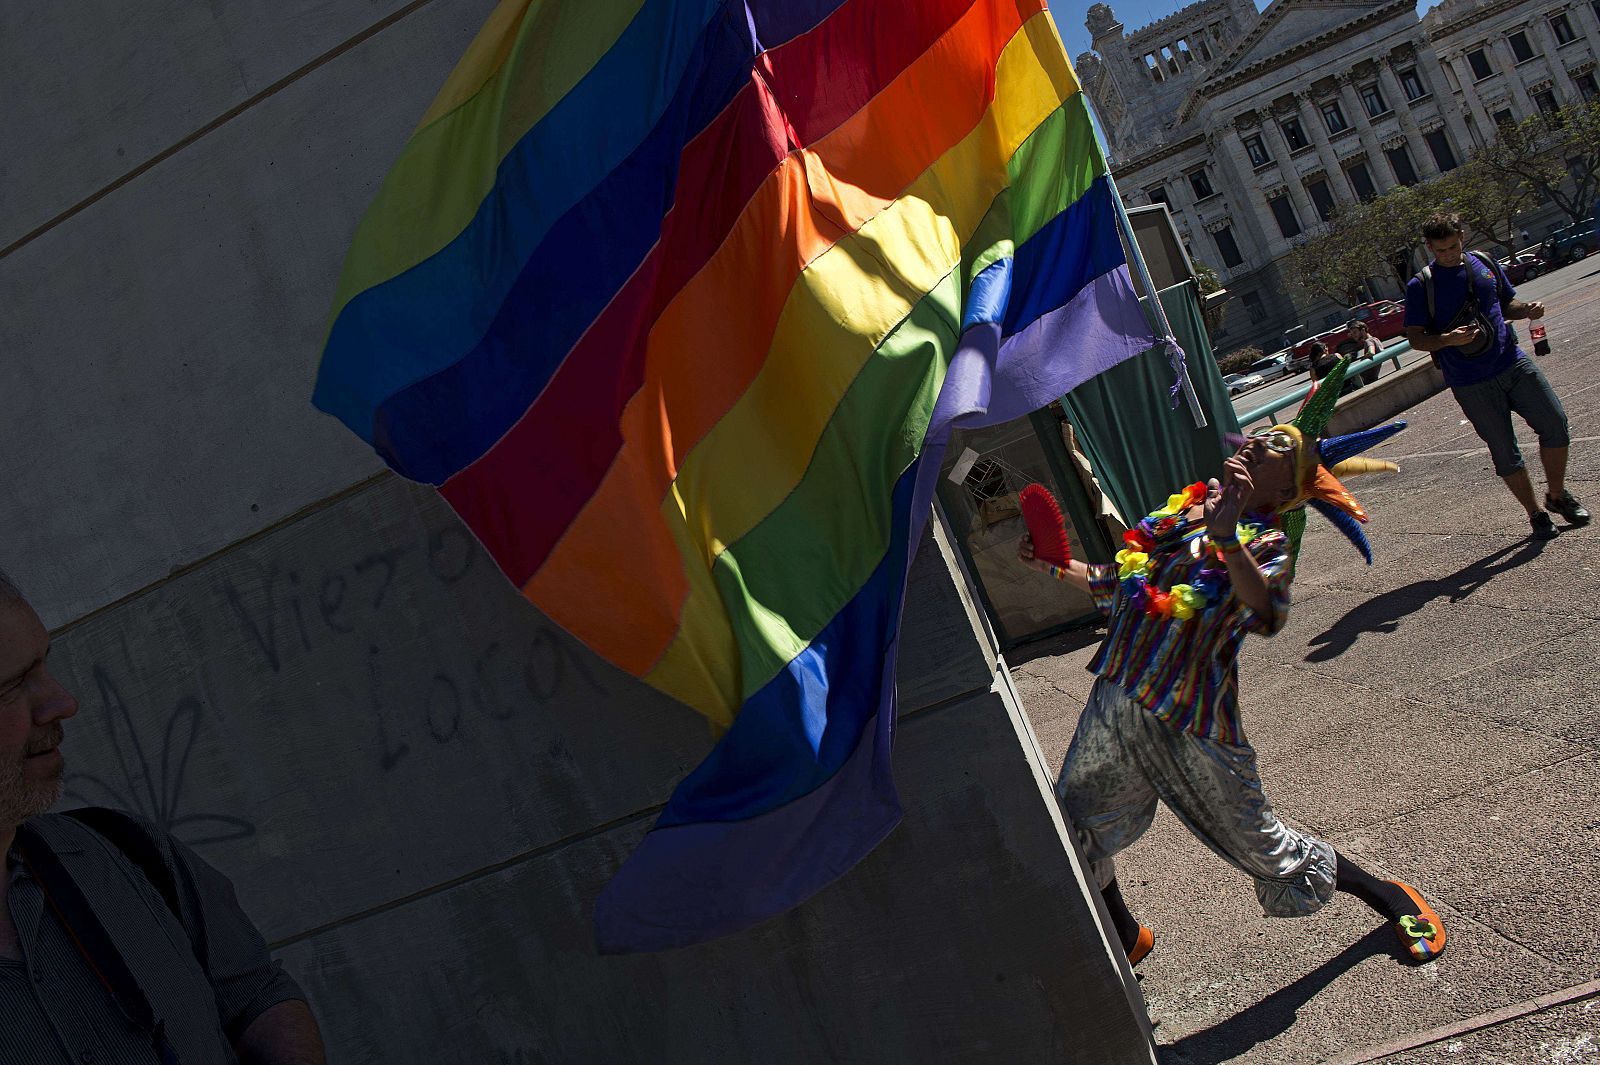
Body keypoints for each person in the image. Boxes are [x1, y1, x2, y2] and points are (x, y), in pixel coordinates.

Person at [1018, 359, 1446, 970]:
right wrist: (1050, 566)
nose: (1249, 442)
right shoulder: (1179, 514)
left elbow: (1267, 613)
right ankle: (1126, 936)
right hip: (1117, 701)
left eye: (1273, 446)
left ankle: (1389, 895)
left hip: (1192, 722)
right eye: (1256, 436)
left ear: (1287, 490)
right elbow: (1121, 582)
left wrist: (1227, 541)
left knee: (1264, 850)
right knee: (1072, 823)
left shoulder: (1264, 543)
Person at [0, 573, 327, 1064]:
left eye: (45, 665)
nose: (63, 702)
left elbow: (255, 996)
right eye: (13, 686)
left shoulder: (125, 852)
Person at [1405, 212, 1588, 539]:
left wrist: (1527, 309)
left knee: (1556, 425)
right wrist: (1447, 340)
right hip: (1470, 381)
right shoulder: (1422, 285)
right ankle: (1535, 513)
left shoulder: (1483, 262)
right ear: (1429, 248)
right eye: (1440, 250)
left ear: (1462, 235)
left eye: (1453, 246)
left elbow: (1507, 304)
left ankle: (1558, 496)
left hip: (1512, 363)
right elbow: (1416, 338)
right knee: (1505, 452)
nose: (1448, 254)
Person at [1345, 318, 1383, 386]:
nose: (1353, 335)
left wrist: (1363, 359)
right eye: (1352, 333)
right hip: (1372, 376)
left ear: (1363, 330)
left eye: (1355, 332)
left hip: (1366, 379)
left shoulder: (1368, 341)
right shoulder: (1375, 339)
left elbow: (1371, 352)